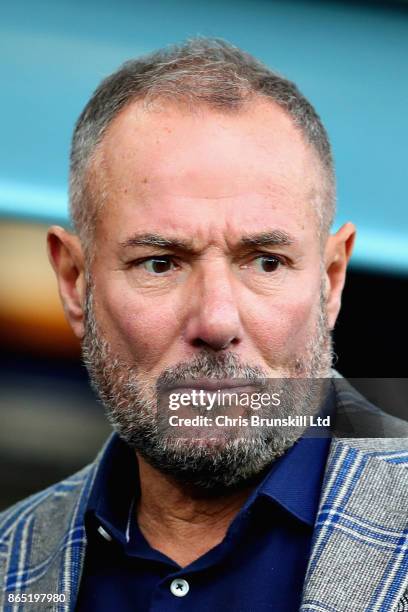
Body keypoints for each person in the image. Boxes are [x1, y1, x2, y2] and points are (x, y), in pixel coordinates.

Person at [1, 38, 408, 612]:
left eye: (266, 261)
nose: (216, 321)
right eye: (160, 263)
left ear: (332, 278)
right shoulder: (10, 564)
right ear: (74, 282)